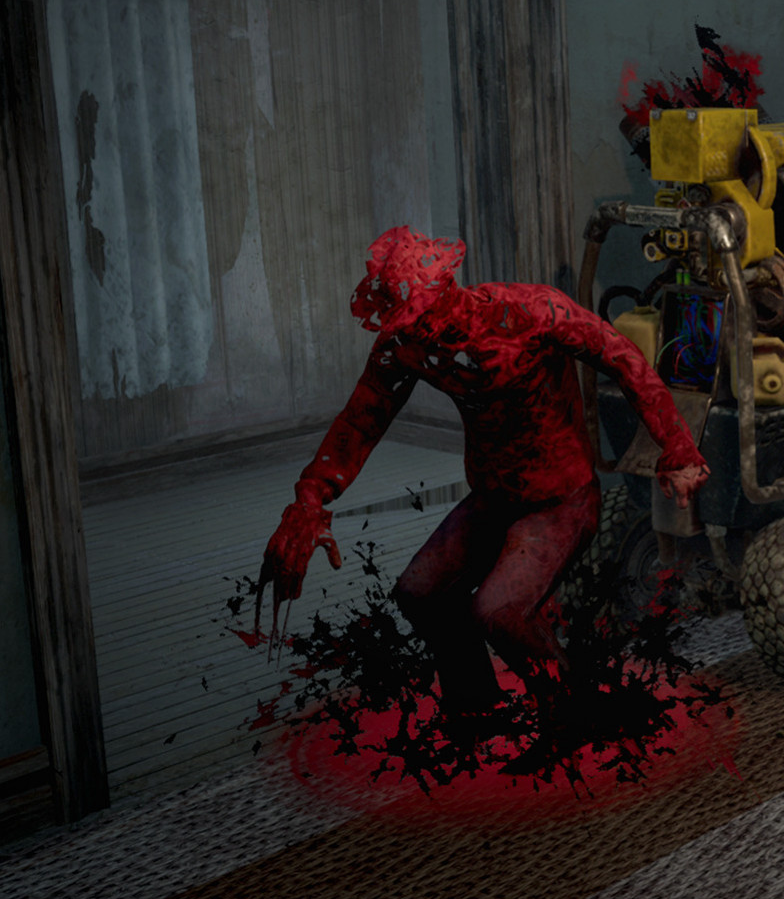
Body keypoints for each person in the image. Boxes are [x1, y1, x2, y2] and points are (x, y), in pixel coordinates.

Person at [258, 225, 709, 754]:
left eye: (426, 317)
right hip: (494, 496)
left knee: (497, 611)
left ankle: (573, 718)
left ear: (449, 291)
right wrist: (310, 497)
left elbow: (624, 358)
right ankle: (476, 711)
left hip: (560, 497)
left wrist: (678, 448)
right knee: (419, 593)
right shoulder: (406, 346)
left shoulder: (531, 312)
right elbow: (360, 421)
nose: (423, 334)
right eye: (409, 323)